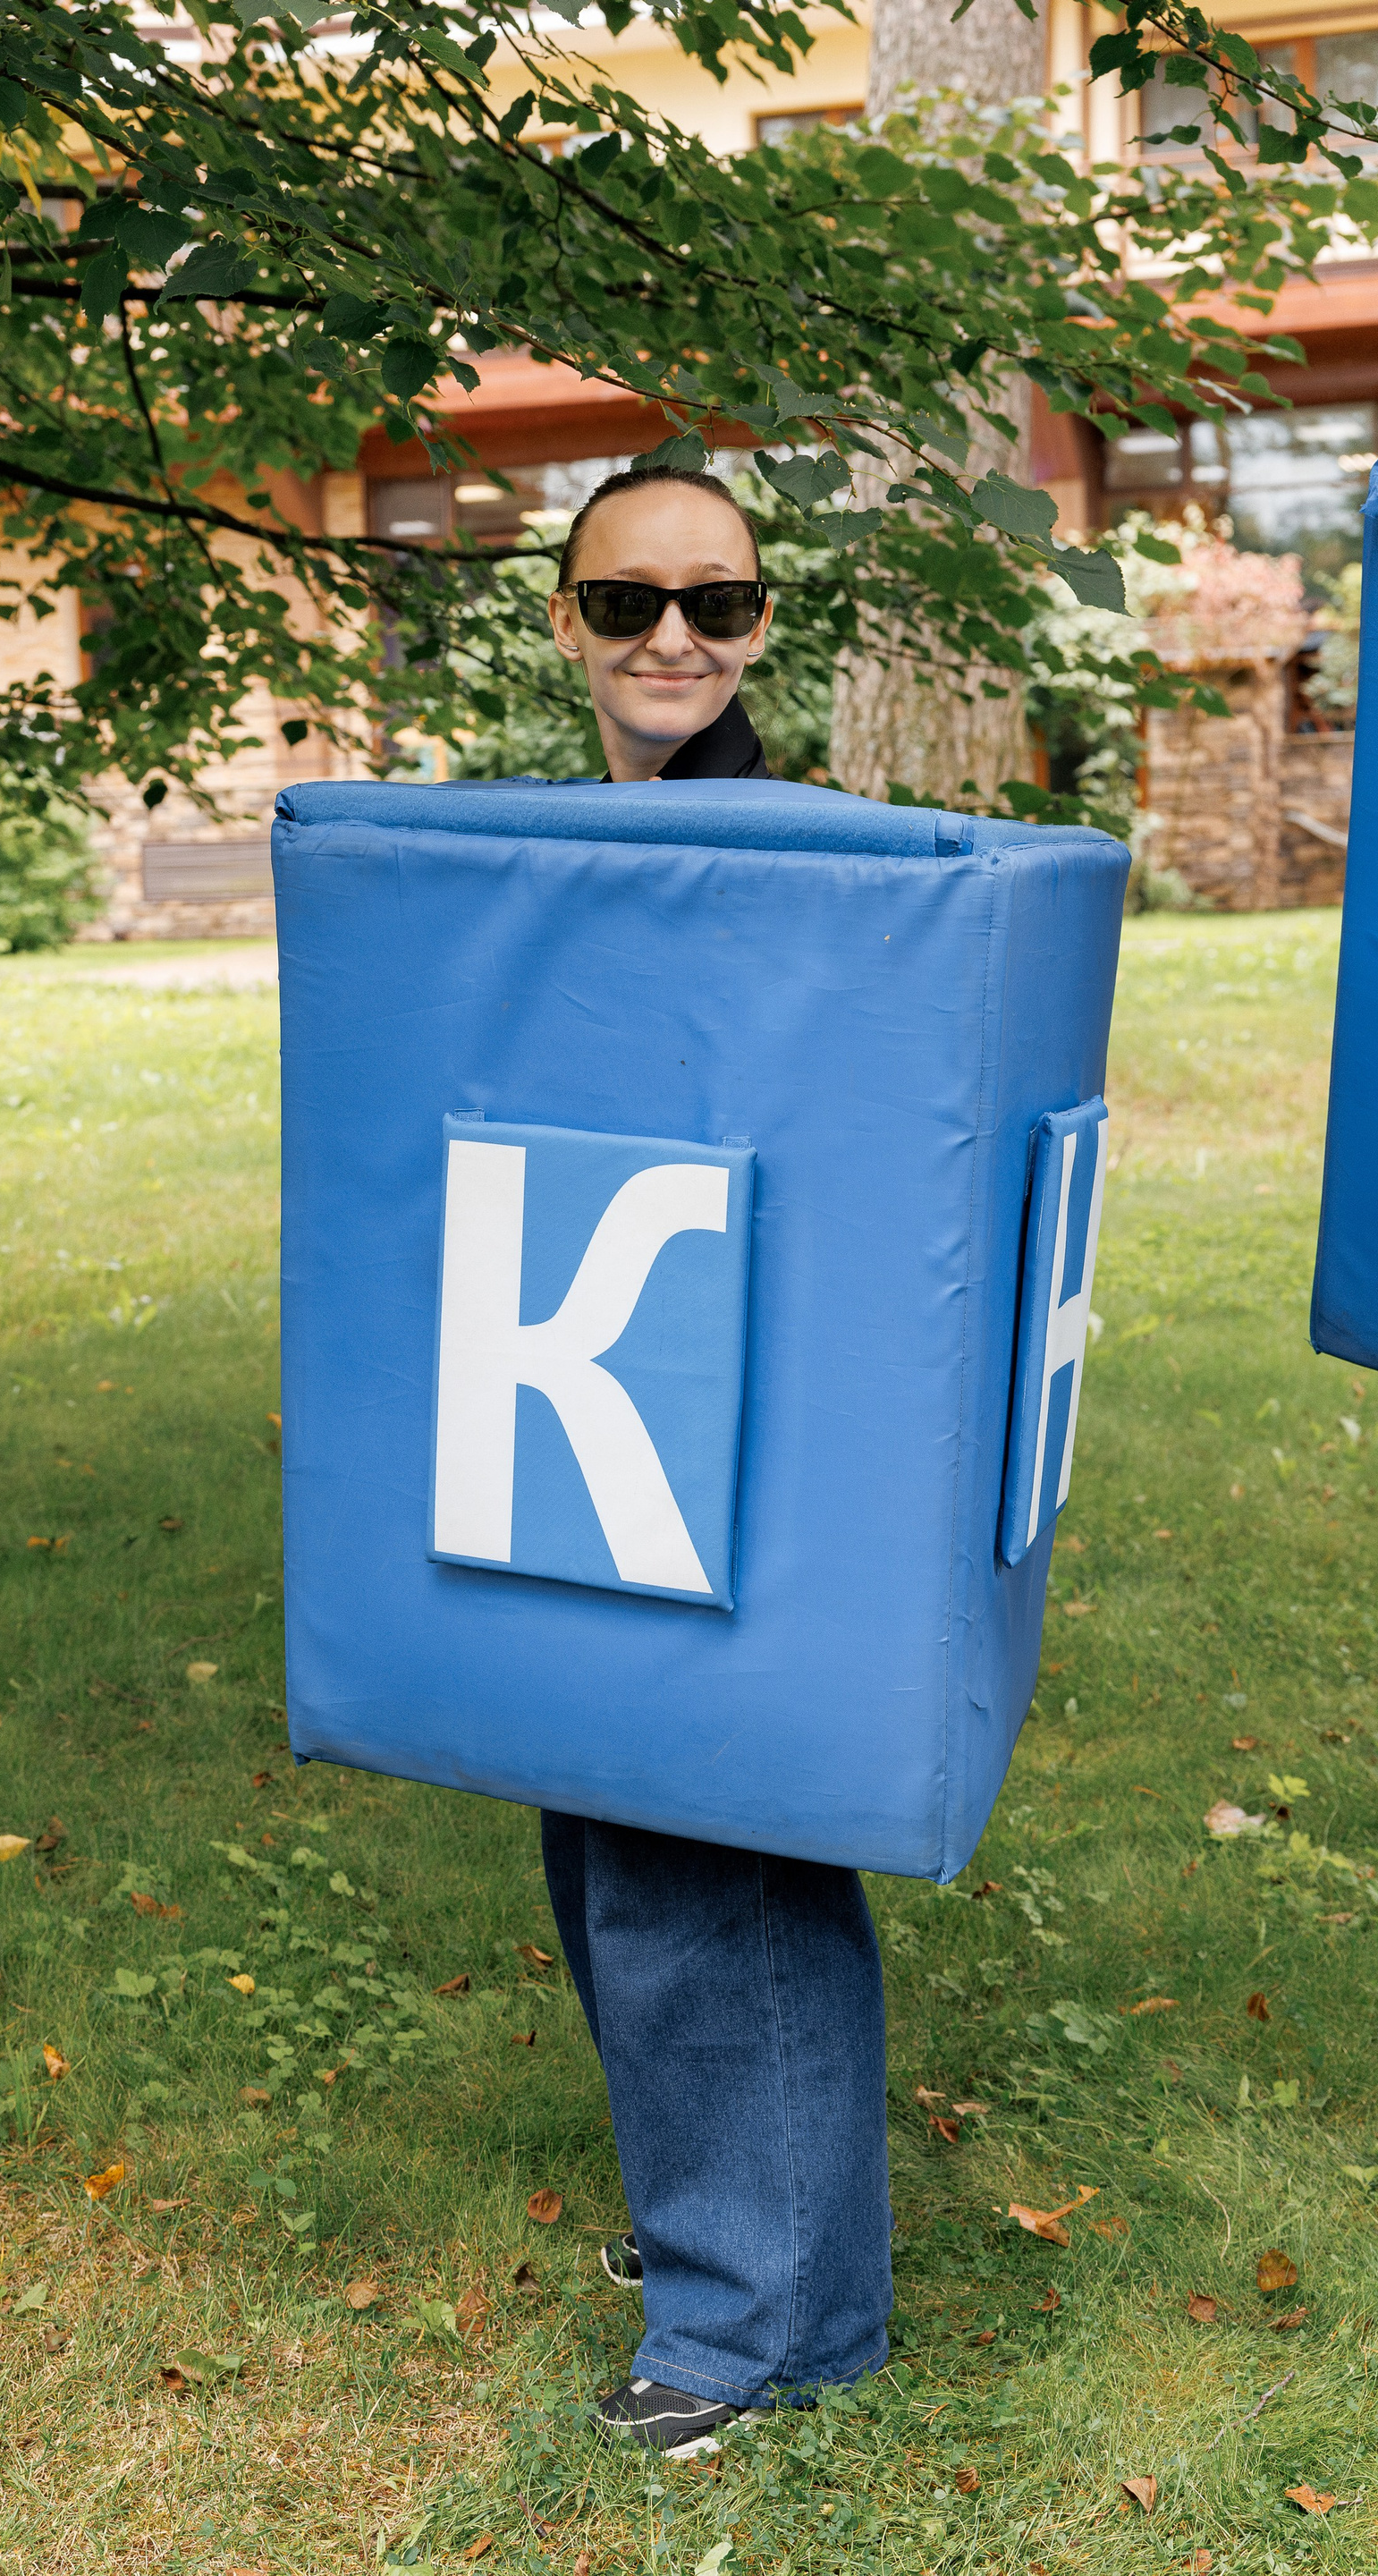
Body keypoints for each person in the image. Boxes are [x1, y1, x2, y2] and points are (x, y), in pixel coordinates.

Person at [537, 465, 895, 2456]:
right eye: (629, 602)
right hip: (592, 1379)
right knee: (604, 1824)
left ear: (764, 622)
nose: (675, 637)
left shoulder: (806, 856)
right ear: (566, 619)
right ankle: (728, 2215)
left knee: (706, 1844)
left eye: (719, 601)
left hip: (740, 1407)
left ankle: (761, 2319)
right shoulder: (571, 849)